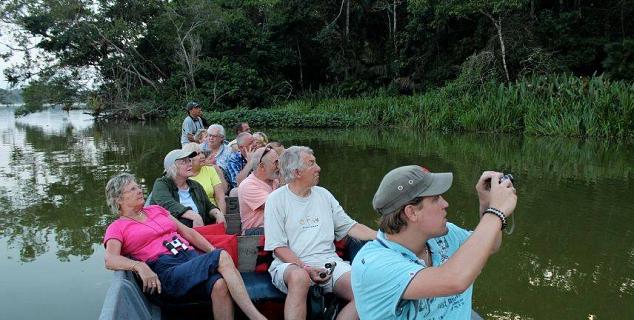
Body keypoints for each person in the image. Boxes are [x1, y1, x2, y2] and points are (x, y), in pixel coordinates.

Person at [351, 166, 518, 320]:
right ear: (412, 212)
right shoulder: (374, 265)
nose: (445, 204)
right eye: (436, 198)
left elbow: (490, 245)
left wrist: (487, 203)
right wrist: (496, 212)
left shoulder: (442, 234)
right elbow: (454, 280)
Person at [102, 173, 266, 320]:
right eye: (132, 189)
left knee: (219, 285)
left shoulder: (156, 210)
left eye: (138, 186)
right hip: (165, 271)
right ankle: (255, 317)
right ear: (118, 200)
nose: (139, 190)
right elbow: (110, 259)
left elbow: (189, 233)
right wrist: (139, 266)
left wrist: (212, 252)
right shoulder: (117, 227)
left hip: (188, 258)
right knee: (221, 255)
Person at [263, 146, 377, 320]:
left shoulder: (324, 195)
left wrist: (382, 237)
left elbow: (350, 227)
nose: (318, 168)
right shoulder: (276, 199)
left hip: (329, 263)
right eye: (312, 163)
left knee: (366, 291)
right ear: (297, 172)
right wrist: (306, 268)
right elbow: (278, 248)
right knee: (300, 278)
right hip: (290, 265)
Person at [150, 149, 225, 228]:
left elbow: (208, 206)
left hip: (199, 233)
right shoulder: (161, 184)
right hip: (171, 235)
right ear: (172, 167)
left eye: (189, 161)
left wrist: (217, 213)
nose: (190, 164)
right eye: (184, 162)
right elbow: (168, 204)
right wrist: (194, 216)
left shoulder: (195, 185)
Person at [237, 146, 280, 235]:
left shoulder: (274, 181)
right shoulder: (248, 185)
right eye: (276, 162)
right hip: (255, 234)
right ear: (262, 166)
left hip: (272, 228)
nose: (279, 166)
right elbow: (276, 207)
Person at [182, 143, 227, 214]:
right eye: (198, 154)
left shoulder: (210, 170)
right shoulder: (182, 175)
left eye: (202, 153)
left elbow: (220, 198)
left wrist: (222, 217)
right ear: (189, 158)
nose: (203, 156)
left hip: (213, 214)